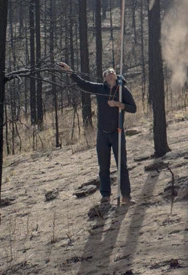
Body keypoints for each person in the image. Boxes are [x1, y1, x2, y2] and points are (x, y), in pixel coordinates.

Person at [56, 62, 136, 203]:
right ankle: (105, 195)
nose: (111, 73)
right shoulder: (99, 89)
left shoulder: (122, 90)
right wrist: (69, 71)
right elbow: (83, 84)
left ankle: (126, 195)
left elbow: (133, 108)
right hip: (102, 134)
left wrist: (118, 104)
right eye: (108, 73)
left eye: (113, 72)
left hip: (117, 132)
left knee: (122, 165)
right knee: (103, 166)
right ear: (104, 78)